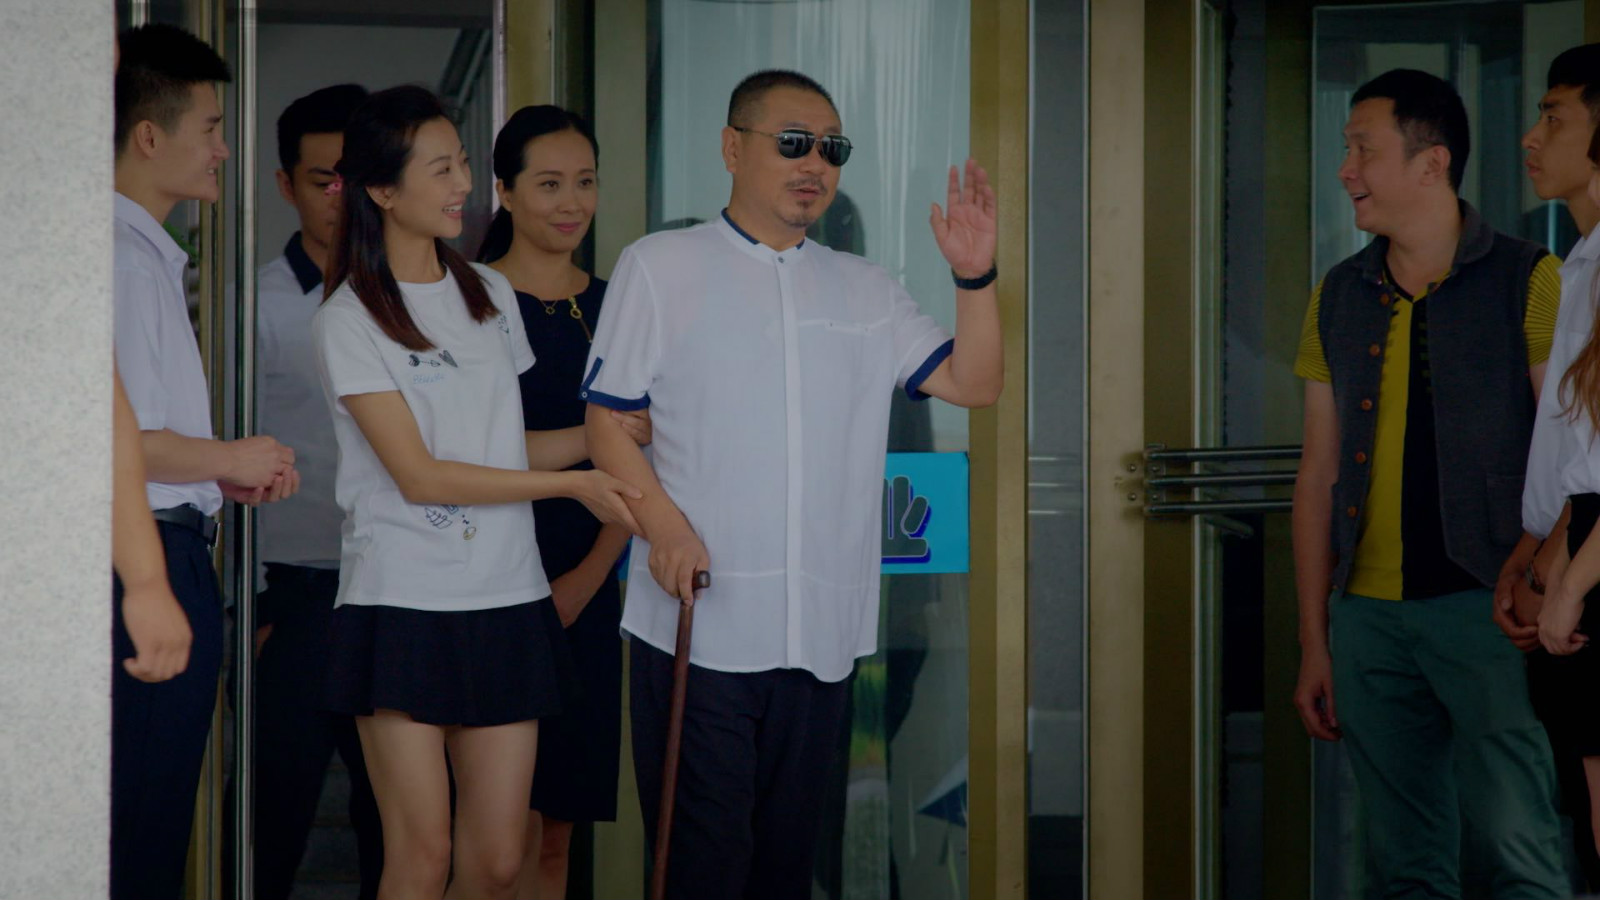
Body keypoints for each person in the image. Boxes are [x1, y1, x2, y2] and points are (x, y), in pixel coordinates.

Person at [583, 69, 1002, 899]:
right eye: (793, 143)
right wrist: (665, 528)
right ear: (732, 148)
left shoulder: (866, 286)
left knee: (785, 871)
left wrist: (975, 278)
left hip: (822, 635)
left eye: (831, 148)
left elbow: (975, 383)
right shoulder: (661, 265)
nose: (814, 163)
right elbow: (607, 420)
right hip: (700, 626)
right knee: (704, 868)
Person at [311, 85, 647, 900]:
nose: (463, 183)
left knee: (499, 862)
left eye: (462, 162)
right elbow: (421, 474)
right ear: (382, 190)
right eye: (441, 169)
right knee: (421, 857)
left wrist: (605, 436)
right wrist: (573, 486)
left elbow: (503, 447)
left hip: (506, 598)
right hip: (402, 603)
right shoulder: (349, 317)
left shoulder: (488, 293)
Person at [1290, 68, 1566, 898]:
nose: (1346, 170)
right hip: (1367, 619)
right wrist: (1316, 639)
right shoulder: (1338, 294)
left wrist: (1539, 581)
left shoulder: (1531, 277)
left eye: (1362, 150)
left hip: (1493, 607)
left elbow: (1570, 457)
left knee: (1516, 848)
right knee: (1399, 865)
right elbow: (1318, 474)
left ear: (1431, 162)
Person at [113, 23, 300, 900]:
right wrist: (228, 452)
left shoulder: (144, 254)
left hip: (166, 540)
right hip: (143, 555)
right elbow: (113, 437)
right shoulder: (120, 260)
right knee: (138, 834)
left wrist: (213, 469)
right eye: (213, 127)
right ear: (150, 136)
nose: (224, 149)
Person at [475, 104, 630, 900]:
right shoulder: (467, 302)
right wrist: (597, 435)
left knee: (557, 834)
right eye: (548, 184)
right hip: (482, 585)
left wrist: (590, 578)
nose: (572, 203)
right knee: (490, 841)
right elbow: (460, 456)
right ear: (503, 191)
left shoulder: (620, 304)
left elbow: (645, 460)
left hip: (587, 585)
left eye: (585, 182)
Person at [251, 82, 383, 900]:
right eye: (319, 178)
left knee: (395, 830)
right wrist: (252, 607)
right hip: (293, 600)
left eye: (354, 175)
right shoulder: (252, 306)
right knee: (272, 823)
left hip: (395, 594)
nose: (340, 195)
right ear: (285, 184)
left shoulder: (424, 297)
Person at [1516, 43, 1600, 877]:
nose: (1531, 137)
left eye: (1554, 117)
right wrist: (1541, 554)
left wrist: (1570, 582)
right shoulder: (1579, 260)